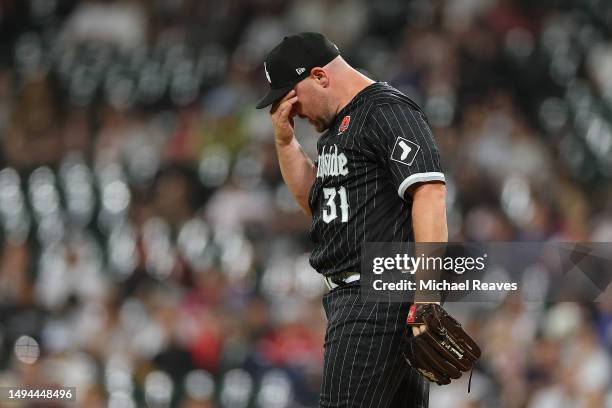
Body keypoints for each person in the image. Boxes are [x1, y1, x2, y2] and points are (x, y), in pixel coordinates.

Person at [256, 32, 448, 408]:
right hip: (364, 299)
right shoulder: (340, 127)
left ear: (319, 76)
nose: (290, 109)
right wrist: (284, 143)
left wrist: (427, 299)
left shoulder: (385, 110)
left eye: (291, 96)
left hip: (375, 296)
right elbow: (319, 209)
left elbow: (429, 193)